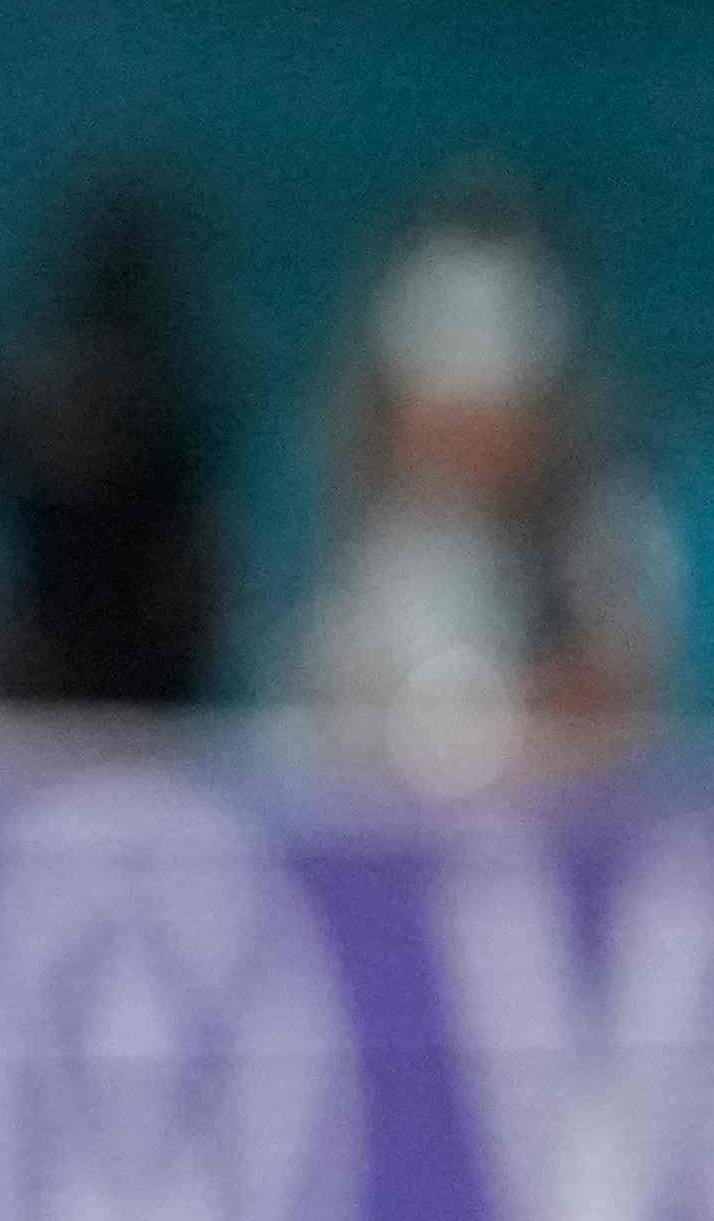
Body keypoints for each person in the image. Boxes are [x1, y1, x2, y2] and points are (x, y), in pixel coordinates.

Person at [286, 172, 677, 796]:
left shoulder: (603, 535)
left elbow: (626, 711)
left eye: (486, 420)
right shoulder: (375, 546)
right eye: (438, 416)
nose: (459, 442)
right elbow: (324, 732)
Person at [0, 174, 223, 712]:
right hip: (52, 673)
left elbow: (197, 572)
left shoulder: (174, 421)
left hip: (137, 675)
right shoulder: (30, 413)